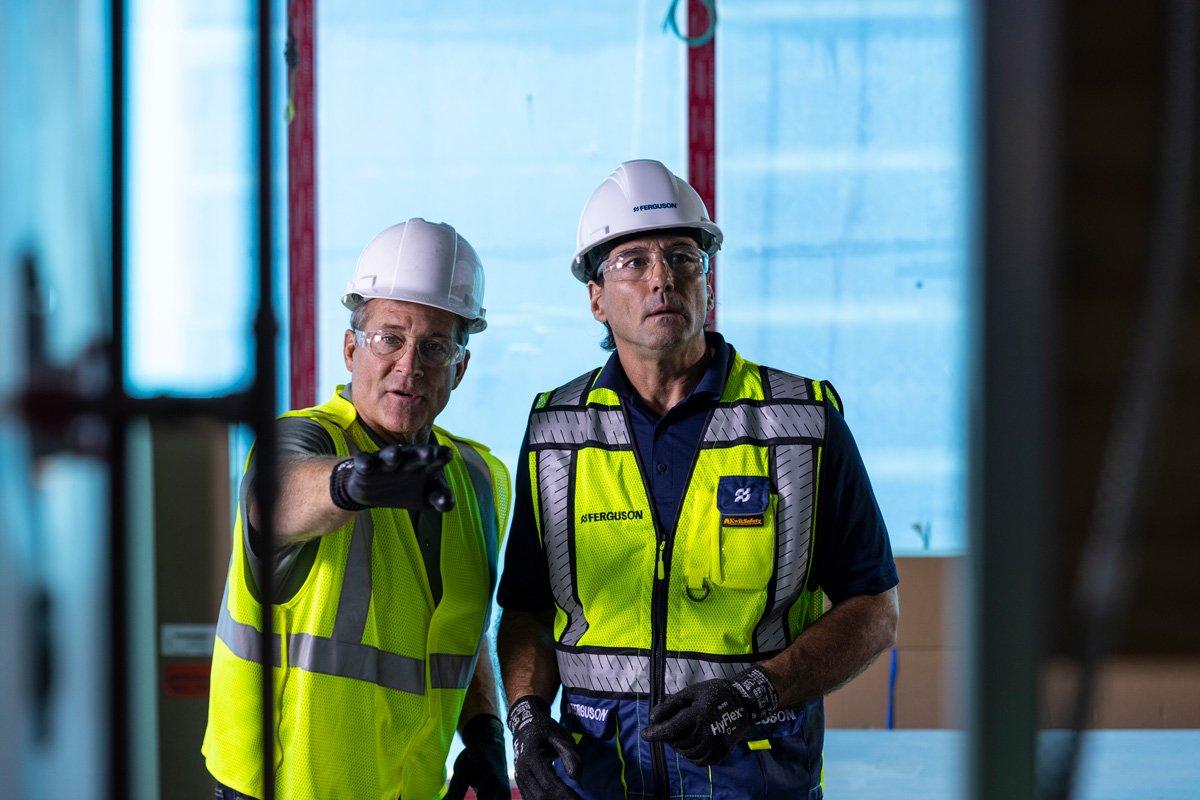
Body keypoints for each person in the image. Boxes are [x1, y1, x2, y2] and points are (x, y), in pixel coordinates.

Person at [496, 160, 900, 799]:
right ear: (596, 297)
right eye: (633, 262)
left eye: (683, 258)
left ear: (707, 281)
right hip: (600, 775)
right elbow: (524, 609)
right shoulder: (556, 432)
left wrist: (755, 690)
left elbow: (874, 611)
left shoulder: (800, 423)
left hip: (754, 773)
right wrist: (525, 719)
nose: (662, 279)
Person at [203, 219, 512, 800]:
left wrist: (485, 731)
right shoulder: (304, 441)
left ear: (460, 369)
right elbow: (278, 500)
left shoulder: (478, 480)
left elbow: (461, 633)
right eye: (389, 338)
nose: (410, 366)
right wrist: (350, 483)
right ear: (351, 348)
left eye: (435, 348)